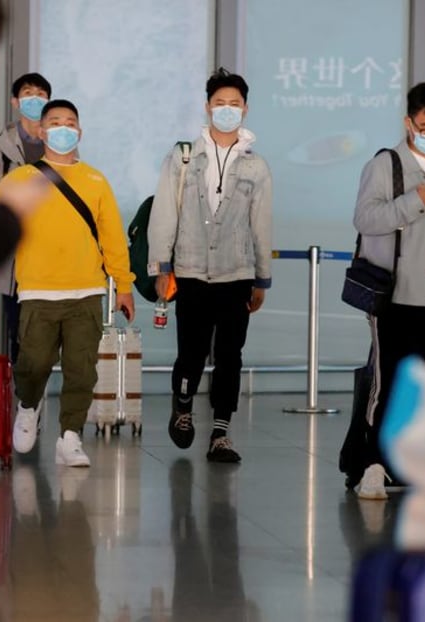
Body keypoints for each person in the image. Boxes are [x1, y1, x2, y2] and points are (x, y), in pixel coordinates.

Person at [0, 99, 136, 467]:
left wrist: (123, 285)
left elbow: (112, 238)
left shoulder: (95, 180)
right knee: (34, 363)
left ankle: (70, 437)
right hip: (37, 291)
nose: (63, 128)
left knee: (81, 370)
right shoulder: (21, 179)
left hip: (86, 291)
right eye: (55, 122)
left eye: (70, 122)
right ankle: (28, 407)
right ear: (41, 131)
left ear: (80, 132)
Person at [148, 68, 272, 463]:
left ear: (245, 109)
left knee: (231, 354)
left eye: (234, 104)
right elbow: (164, 214)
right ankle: (183, 407)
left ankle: (221, 432)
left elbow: (261, 224)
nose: (227, 110)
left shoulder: (256, 166)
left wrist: (262, 279)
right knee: (192, 351)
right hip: (191, 270)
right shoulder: (183, 156)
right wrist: (162, 267)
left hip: (237, 272)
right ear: (207, 107)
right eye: (220, 103)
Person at [351, 82, 425, 499]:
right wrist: (415, 200)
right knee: (390, 383)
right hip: (397, 295)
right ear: (409, 122)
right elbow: (365, 218)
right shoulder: (386, 165)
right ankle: (373, 465)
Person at [0, 72, 53, 363]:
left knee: (47, 333)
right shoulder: (1, 147)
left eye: (41, 94)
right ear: (15, 102)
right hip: (15, 258)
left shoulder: (59, 144)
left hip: (50, 254)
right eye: (29, 93)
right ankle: (22, 389)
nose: (35, 99)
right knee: (19, 332)